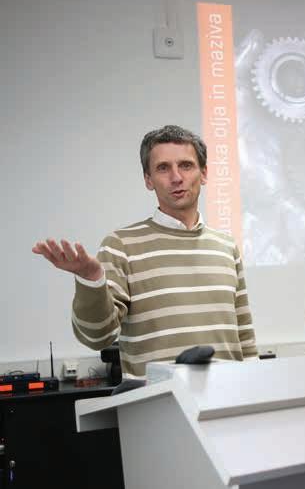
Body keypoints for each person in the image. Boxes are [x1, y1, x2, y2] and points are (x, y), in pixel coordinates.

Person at [33, 125, 258, 378]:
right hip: (159, 400)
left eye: (186, 165)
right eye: (163, 168)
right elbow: (97, 337)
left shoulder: (226, 246)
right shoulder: (121, 245)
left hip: (228, 396)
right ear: (148, 180)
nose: (176, 177)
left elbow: (245, 338)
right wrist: (91, 280)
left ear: (204, 173)